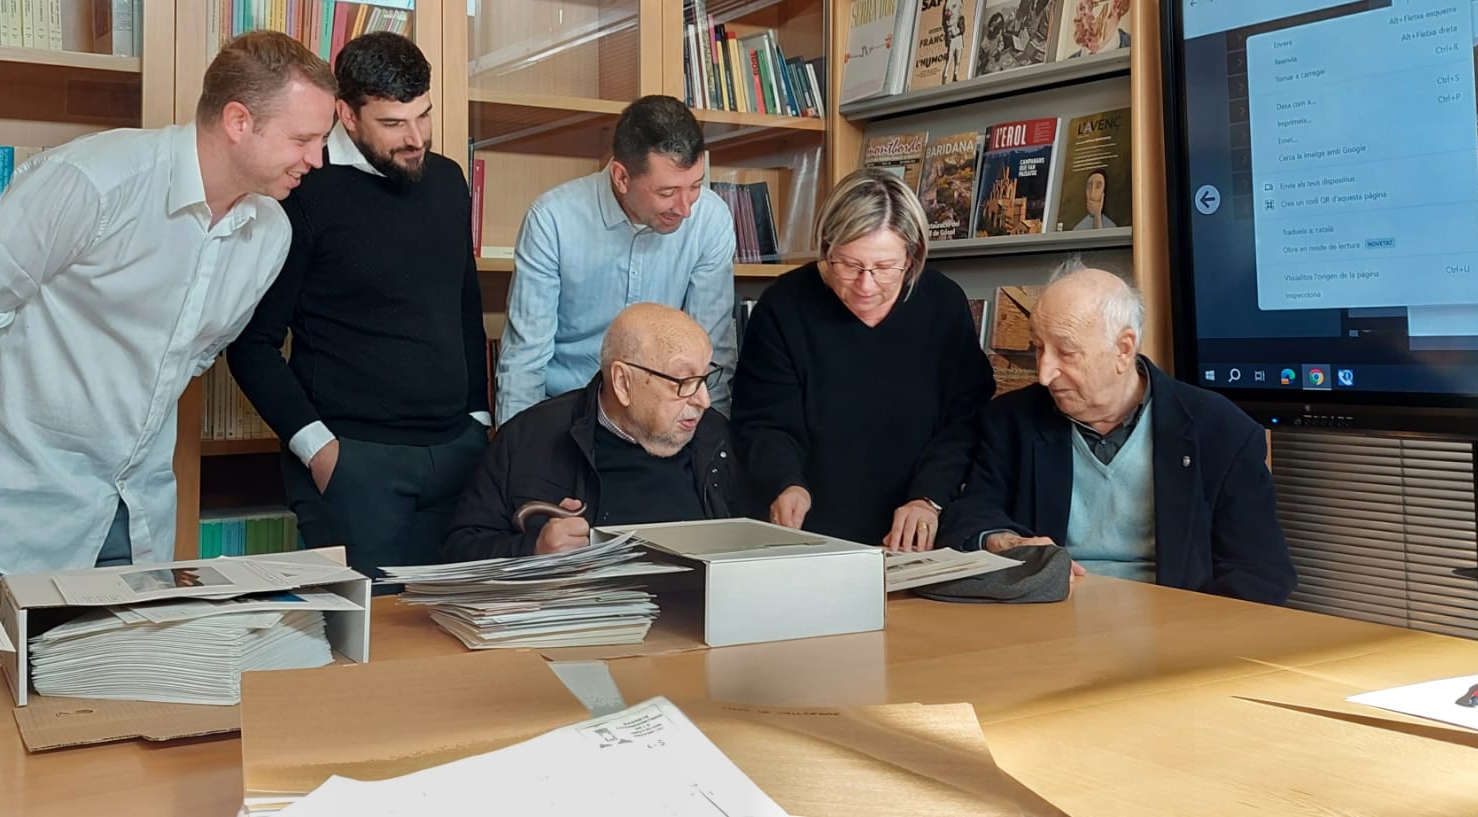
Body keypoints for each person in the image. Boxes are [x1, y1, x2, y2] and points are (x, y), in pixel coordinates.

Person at [0, 31, 337, 585]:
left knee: (110, 675)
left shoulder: (270, 233)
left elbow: (186, 363)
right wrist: (5, 424)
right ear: (239, 122)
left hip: (135, 524)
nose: (318, 159)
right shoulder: (95, 181)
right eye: (304, 139)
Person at [226, 32, 489, 576]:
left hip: (458, 452)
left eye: (425, 116)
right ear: (346, 114)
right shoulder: (301, 190)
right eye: (394, 124)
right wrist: (321, 452)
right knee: (367, 645)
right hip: (355, 463)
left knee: (449, 640)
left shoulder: (447, 180)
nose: (417, 138)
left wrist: (478, 418)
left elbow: (464, 306)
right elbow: (251, 345)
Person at [939, 262, 1297, 605]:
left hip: (1174, 629)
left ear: (1123, 349)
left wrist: (1191, 640)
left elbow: (1260, 572)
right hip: (1046, 622)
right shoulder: (1012, 420)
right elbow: (969, 516)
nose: (1045, 373)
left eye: (1066, 352)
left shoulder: (1220, 430)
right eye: (1038, 348)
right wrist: (1003, 541)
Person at [732, 168, 994, 550]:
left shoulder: (943, 305)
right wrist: (785, 483)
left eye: (885, 268)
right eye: (850, 265)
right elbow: (763, 420)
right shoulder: (783, 307)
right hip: (808, 535)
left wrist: (929, 498)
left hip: (916, 534)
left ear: (912, 254)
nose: (866, 285)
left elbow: (966, 421)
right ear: (827, 247)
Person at [496, 96, 737, 424]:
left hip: (664, 421)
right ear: (621, 177)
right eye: (667, 193)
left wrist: (715, 448)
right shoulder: (553, 220)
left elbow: (712, 350)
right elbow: (525, 359)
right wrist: (517, 454)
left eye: (694, 186)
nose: (685, 208)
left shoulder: (711, 220)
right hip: (569, 414)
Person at [446, 303, 736, 561]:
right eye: (684, 381)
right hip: (580, 616)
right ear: (623, 383)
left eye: (705, 378)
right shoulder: (528, 439)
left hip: (697, 616)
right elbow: (460, 550)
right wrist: (533, 549)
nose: (703, 401)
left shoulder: (717, 438)